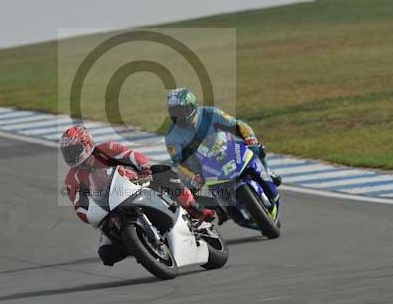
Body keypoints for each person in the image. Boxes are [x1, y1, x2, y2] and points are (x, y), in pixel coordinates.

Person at [60, 125, 216, 266]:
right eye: (67, 152)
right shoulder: (72, 178)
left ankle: (197, 212)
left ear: (85, 143)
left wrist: (144, 167)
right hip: (109, 207)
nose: (71, 156)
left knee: (165, 173)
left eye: (73, 151)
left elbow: (131, 155)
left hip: (136, 183)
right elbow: (78, 205)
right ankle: (141, 245)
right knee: (106, 254)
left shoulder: (105, 149)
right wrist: (88, 215)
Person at [164, 87, 281, 223]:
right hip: (200, 165)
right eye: (174, 112)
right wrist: (193, 177)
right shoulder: (172, 136)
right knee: (193, 188)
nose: (179, 116)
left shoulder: (210, 113)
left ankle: (267, 172)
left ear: (192, 107)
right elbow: (178, 163)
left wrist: (250, 138)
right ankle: (219, 208)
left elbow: (238, 125)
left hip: (226, 147)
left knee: (255, 148)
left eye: (181, 110)